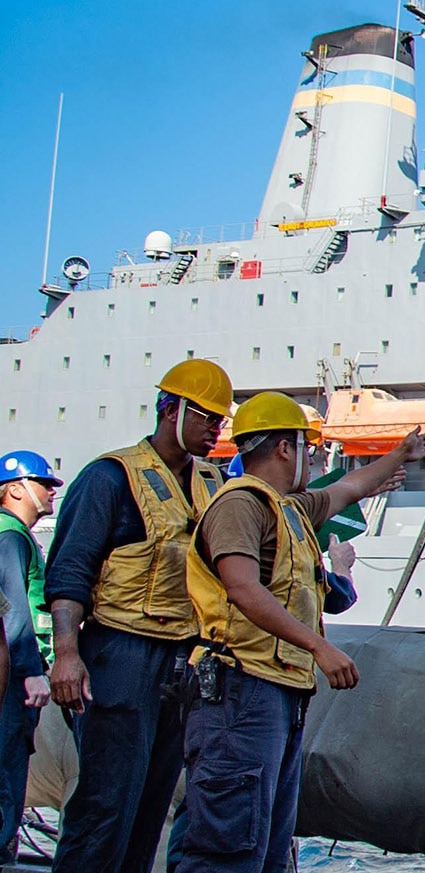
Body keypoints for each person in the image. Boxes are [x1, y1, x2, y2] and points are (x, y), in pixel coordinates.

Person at [177, 393, 425, 873]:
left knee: (267, 842)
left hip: (277, 694)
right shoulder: (240, 506)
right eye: (307, 448)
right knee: (229, 842)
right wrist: (320, 647)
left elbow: (351, 488)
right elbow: (243, 589)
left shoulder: (288, 509)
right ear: (284, 449)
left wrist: (400, 454)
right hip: (240, 691)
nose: (314, 459)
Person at [43, 358, 232, 873]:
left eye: (221, 421)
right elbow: (69, 571)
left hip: (183, 660)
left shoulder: (213, 483)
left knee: (152, 806)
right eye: (207, 418)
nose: (216, 430)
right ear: (172, 410)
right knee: (106, 803)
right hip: (119, 654)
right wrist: (66, 655)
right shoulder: (110, 478)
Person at [0, 451, 57, 860]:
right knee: (5, 776)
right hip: (11, 682)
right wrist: (30, 671)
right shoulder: (10, 536)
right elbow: (14, 612)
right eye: (43, 484)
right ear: (16, 489)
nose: (51, 492)